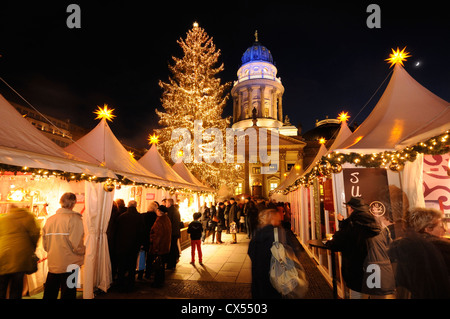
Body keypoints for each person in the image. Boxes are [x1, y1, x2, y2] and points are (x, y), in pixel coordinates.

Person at [326, 197, 381, 299]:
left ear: (351, 208)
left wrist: (328, 243)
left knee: (356, 294)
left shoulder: (352, 223)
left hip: (356, 270)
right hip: (374, 268)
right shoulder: (374, 222)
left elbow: (338, 243)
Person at [389, 207, 450, 298]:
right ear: (428, 229)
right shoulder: (442, 249)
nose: (445, 230)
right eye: (441, 226)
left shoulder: (399, 247)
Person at [248, 208, 303, 299]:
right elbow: (295, 252)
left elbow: (250, 252)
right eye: (278, 219)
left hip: (259, 277)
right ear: (273, 220)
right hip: (277, 277)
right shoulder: (280, 233)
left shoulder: (257, 234)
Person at [43, 193, 85, 299]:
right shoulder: (75, 219)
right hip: (71, 263)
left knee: (50, 292)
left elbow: (45, 245)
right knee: (69, 293)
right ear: (74, 203)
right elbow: (77, 244)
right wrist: (84, 251)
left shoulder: (50, 220)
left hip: (54, 262)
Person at [0, 205, 40, 299]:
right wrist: (32, 248)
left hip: (3, 255)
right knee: (16, 286)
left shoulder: (3, 219)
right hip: (21, 258)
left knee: (2, 286)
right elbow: (35, 234)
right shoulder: (29, 217)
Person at [112, 200, 145, 292]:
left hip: (122, 246)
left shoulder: (122, 217)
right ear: (136, 206)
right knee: (132, 266)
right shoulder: (140, 217)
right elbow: (142, 232)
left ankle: (120, 283)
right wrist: (141, 244)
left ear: (128, 205)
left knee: (121, 265)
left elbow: (116, 232)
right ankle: (131, 284)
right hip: (134, 246)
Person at [149, 204, 172, 288]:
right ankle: (161, 281)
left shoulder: (159, 221)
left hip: (159, 247)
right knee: (161, 266)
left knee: (158, 266)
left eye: (157, 210)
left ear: (159, 212)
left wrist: (155, 247)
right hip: (165, 246)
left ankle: (157, 283)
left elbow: (157, 236)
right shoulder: (167, 219)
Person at [139, 201, 158, 281]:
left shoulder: (143, 216)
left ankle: (140, 274)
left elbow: (140, 229)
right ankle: (148, 274)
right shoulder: (157, 218)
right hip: (152, 240)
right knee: (150, 258)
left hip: (143, 239)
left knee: (142, 258)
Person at [166, 198, 181, 270]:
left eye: (166, 203)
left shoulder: (169, 211)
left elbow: (169, 222)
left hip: (171, 233)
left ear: (169, 203)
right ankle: (173, 263)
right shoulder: (176, 210)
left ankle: (170, 264)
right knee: (174, 247)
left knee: (171, 248)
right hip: (176, 232)